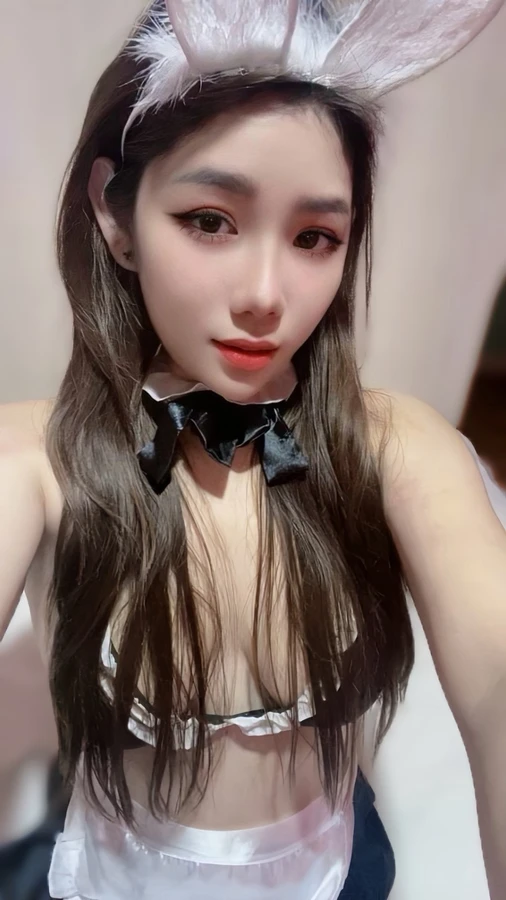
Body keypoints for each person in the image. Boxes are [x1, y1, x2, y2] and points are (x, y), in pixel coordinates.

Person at [1, 1, 505, 898]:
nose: (266, 294)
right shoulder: (37, 460)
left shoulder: (400, 450)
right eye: (209, 220)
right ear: (115, 214)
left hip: (333, 872)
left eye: (315, 238)